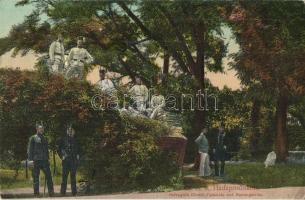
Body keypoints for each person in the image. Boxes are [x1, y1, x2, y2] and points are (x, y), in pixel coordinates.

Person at [27, 123, 54, 197]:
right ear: (37, 129)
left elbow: (46, 150)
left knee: (49, 176)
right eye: (40, 128)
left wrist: (48, 159)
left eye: (42, 128)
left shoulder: (45, 138)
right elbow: (30, 150)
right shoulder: (33, 138)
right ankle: (36, 193)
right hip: (36, 160)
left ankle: (51, 192)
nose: (41, 130)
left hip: (44, 161)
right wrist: (30, 160)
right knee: (36, 177)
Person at [57, 125, 81, 196]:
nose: (70, 132)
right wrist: (62, 156)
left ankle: (74, 193)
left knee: (73, 177)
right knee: (64, 177)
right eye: (69, 130)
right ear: (67, 131)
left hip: (73, 161)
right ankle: (62, 192)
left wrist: (78, 155)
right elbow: (59, 149)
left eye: (71, 131)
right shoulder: (63, 139)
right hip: (66, 161)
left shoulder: (76, 140)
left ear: (74, 132)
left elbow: (79, 150)